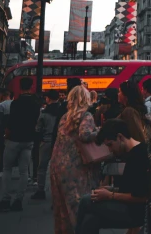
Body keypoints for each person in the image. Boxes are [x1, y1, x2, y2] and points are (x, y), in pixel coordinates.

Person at [75, 119, 149, 233]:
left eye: (110, 145)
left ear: (120, 137)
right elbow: (129, 187)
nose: (110, 150)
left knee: (85, 201)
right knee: (90, 220)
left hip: (135, 211)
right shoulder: (131, 153)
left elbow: (141, 196)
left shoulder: (139, 155)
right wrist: (109, 190)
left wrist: (110, 195)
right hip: (128, 207)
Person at [50, 86, 100, 232]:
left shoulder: (65, 117)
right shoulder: (86, 116)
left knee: (61, 206)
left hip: (57, 164)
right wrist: (99, 131)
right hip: (75, 166)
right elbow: (85, 135)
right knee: (76, 205)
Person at [0, 78, 41, 213]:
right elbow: (37, 122)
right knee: (24, 171)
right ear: (31, 87)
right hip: (28, 140)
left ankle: (6, 199)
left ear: (20, 87)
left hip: (14, 139)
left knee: (7, 168)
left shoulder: (15, 103)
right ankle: (19, 200)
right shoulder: (36, 104)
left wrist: (6, 135)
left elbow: (10, 123)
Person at [32, 89, 62, 200]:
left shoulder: (44, 113)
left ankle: (40, 190)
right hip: (59, 141)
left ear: (48, 98)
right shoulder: (62, 111)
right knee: (58, 168)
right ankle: (59, 192)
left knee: (42, 167)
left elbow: (38, 129)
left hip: (46, 141)